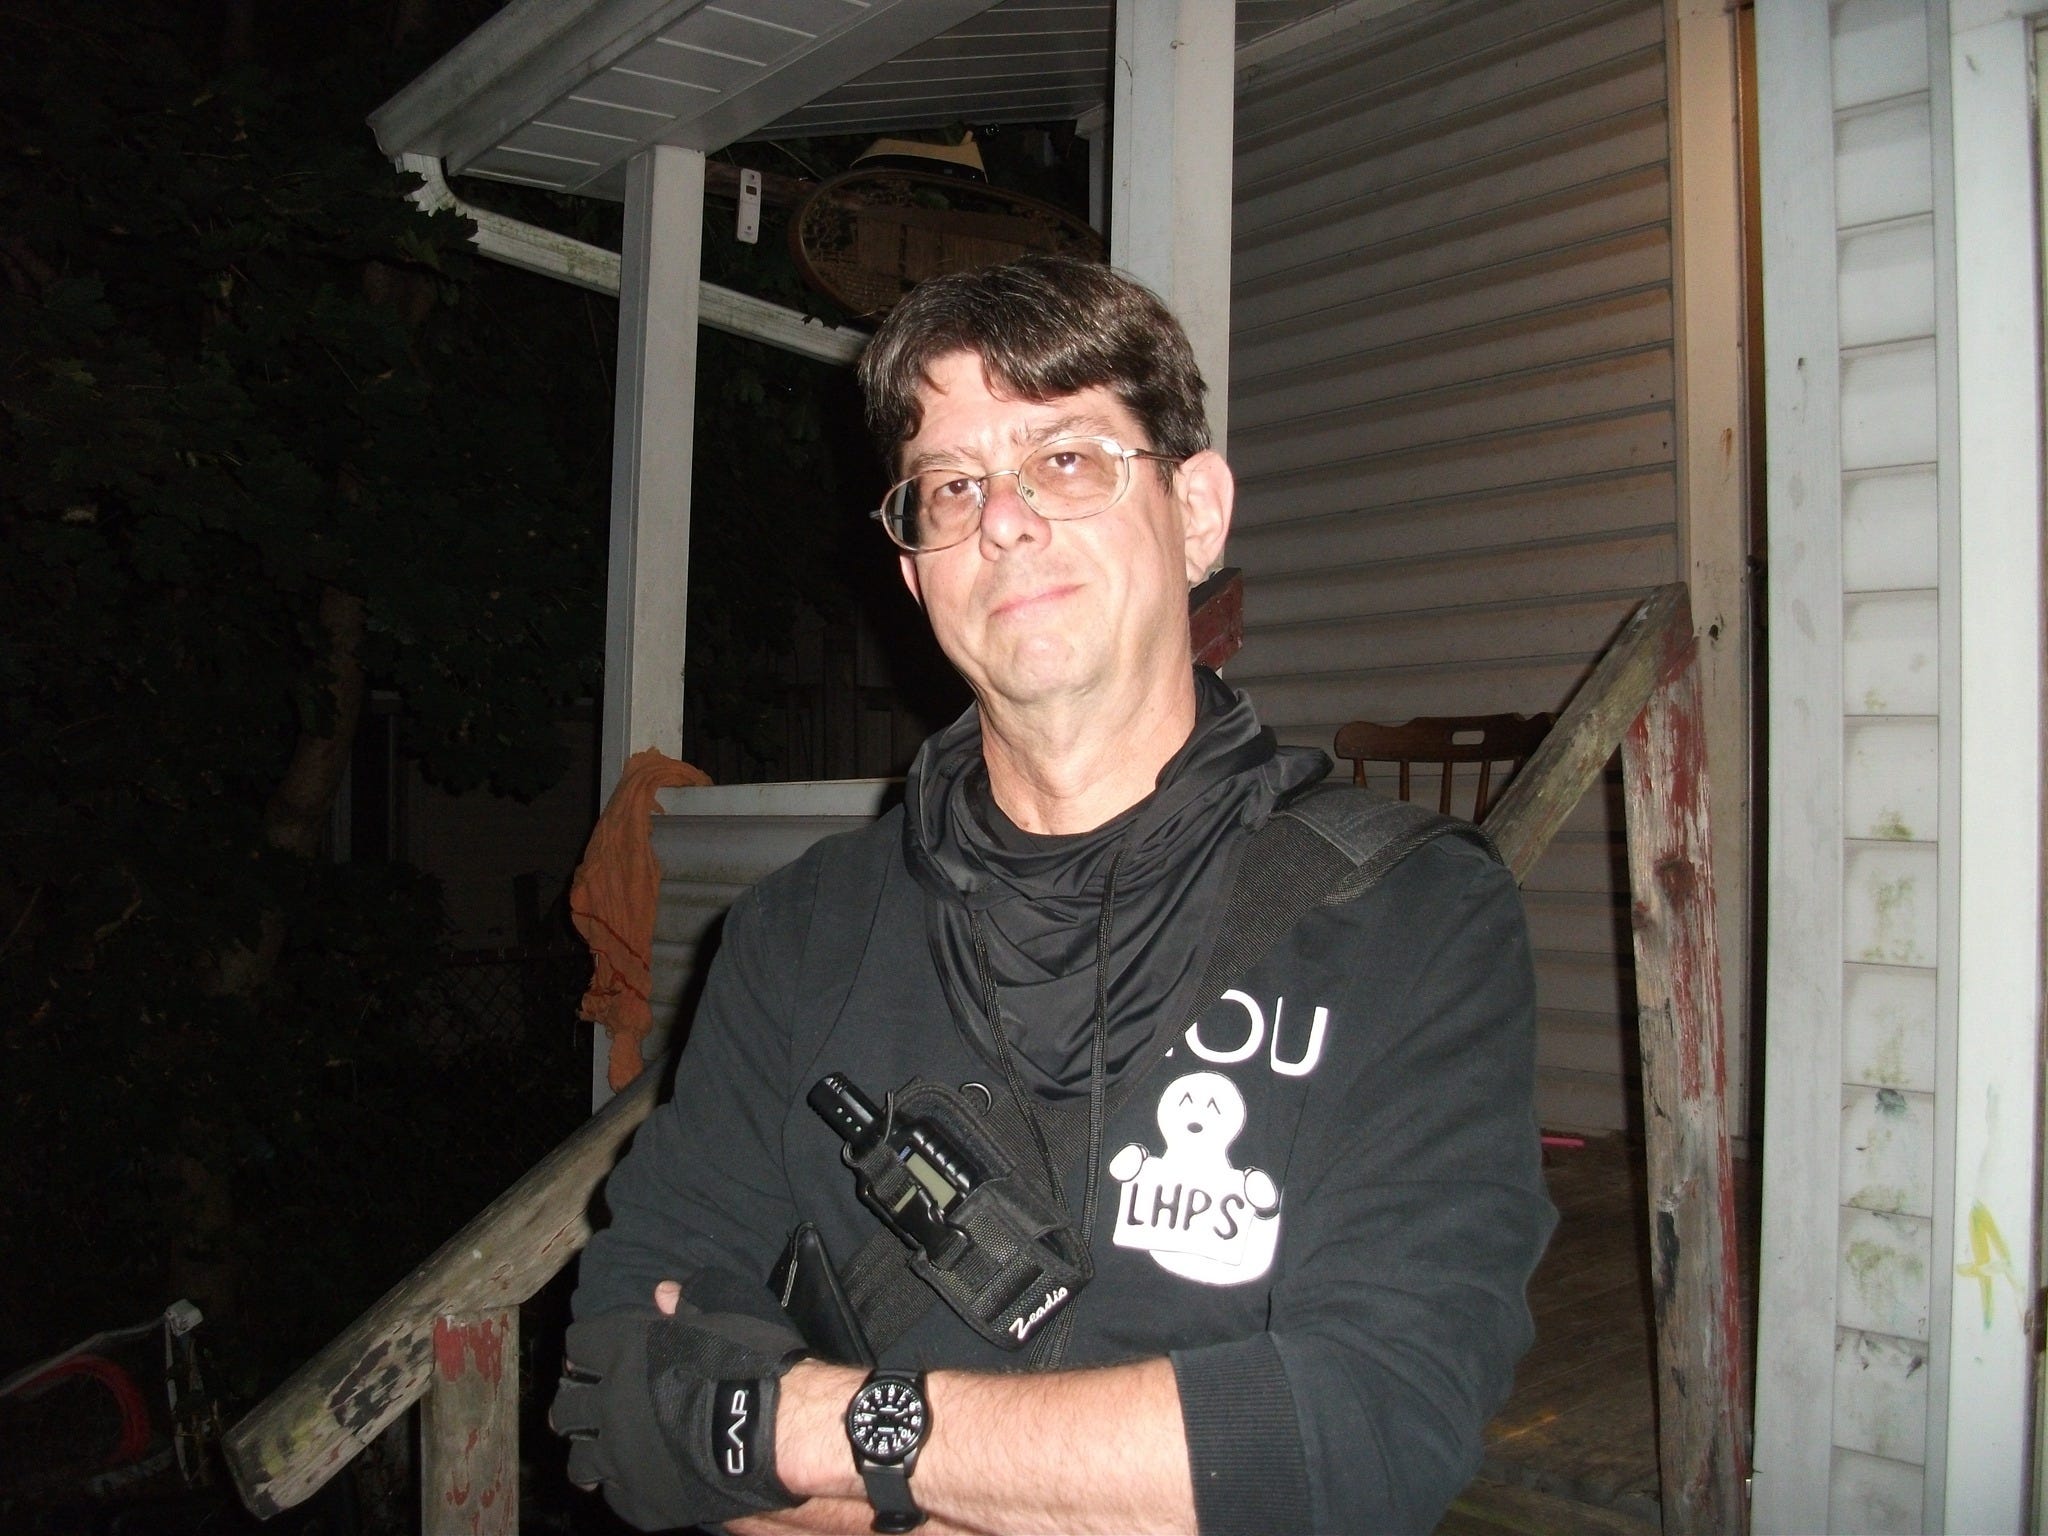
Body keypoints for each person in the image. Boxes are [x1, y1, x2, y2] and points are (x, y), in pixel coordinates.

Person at [551, 255, 1556, 1536]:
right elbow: (627, 1390)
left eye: (1066, 460)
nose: (1003, 522)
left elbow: (1364, 1431)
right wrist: (1103, 1477)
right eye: (951, 486)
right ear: (913, 572)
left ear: (1197, 513)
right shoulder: (795, 934)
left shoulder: (1405, 920)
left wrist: (813, 1426)